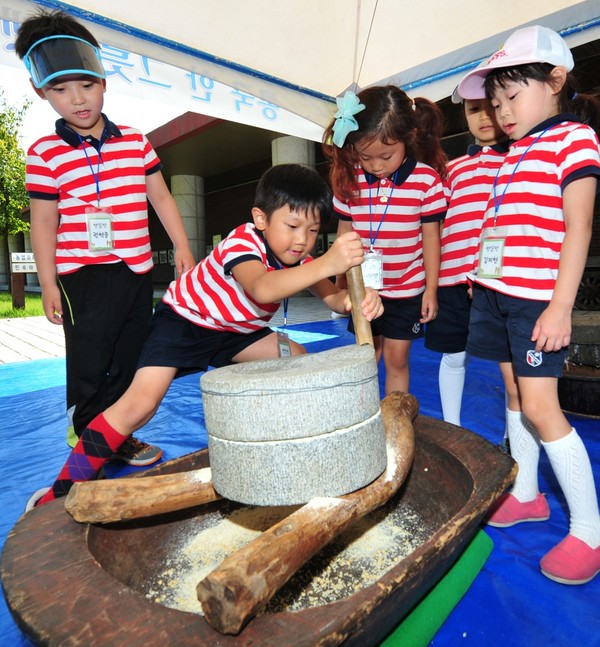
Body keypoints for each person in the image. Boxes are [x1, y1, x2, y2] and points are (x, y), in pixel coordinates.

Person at [26, 163, 383, 509]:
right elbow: (261, 288)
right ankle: (59, 492)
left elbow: (335, 299)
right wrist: (327, 262)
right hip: (184, 322)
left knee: (297, 357)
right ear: (261, 218)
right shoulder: (242, 241)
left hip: (234, 332)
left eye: (312, 230)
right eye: (292, 226)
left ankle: (292, 449)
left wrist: (357, 300)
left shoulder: (299, 259)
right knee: (140, 405)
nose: (302, 241)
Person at [14, 9, 195, 465]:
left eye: (86, 85)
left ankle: (119, 430)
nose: (77, 99)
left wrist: (183, 246)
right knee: (91, 358)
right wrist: (49, 282)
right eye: (60, 89)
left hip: (136, 269)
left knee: (133, 352)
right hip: (82, 276)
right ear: (41, 92)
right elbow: (43, 222)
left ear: (103, 80)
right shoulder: (43, 153)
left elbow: (161, 197)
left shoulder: (135, 141)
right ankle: (89, 434)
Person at [457, 24, 600, 584]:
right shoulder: (515, 150)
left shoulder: (574, 139)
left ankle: (588, 530)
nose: (502, 112)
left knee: (543, 407)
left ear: (556, 79)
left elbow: (577, 225)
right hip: (495, 293)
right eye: (495, 103)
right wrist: (481, 277)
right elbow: (504, 225)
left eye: (512, 96)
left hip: (536, 301)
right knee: (514, 393)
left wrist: (561, 306)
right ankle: (527, 492)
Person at [322, 85, 446, 394]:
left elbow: (432, 239)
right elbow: (344, 233)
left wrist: (431, 290)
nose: (376, 166)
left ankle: (395, 419)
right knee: (366, 355)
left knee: (396, 358)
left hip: (407, 288)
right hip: (364, 288)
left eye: (386, 156)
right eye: (366, 157)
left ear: (409, 138)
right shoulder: (349, 177)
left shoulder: (425, 180)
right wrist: (340, 284)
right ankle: (362, 418)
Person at [425, 86, 517, 437]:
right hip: (451, 280)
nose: (483, 117)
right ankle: (452, 431)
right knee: (454, 355)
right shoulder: (452, 169)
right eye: (473, 109)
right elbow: (432, 220)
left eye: (490, 108)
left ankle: (513, 437)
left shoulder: (517, 160)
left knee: (508, 364)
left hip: (498, 281)